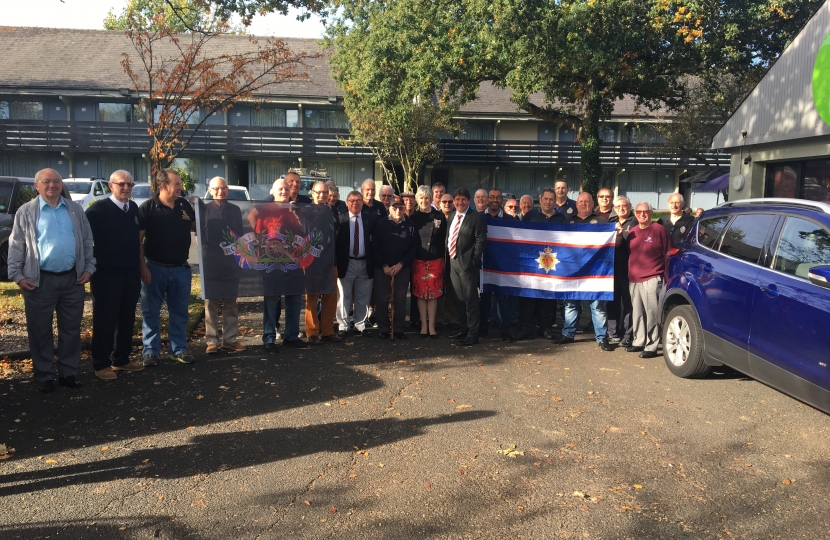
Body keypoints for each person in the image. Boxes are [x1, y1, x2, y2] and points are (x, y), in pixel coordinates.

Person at [8, 168, 95, 392]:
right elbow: (16, 245)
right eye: (46, 181)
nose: (52, 185)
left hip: (72, 280)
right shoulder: (26, 212)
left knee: (71, 330)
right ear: (36, 186)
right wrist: (17, 275)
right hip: (39, 281)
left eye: (57, 181)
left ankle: (68, 373)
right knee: (40, 331)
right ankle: (44, 375)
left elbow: (87, 240)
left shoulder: (74, 209)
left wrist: (89, 267)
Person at [85, 170, 145, 380]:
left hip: (130, 273)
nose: (127, 188)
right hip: (106, 275)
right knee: (105, 319)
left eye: (130, 184)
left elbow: (137, 240)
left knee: (127, 318)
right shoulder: (97, 211)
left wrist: (141, 267)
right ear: (111, 186)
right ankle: (101, 364)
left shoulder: (134, 209)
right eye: (122, 184)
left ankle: (121, 359)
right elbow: (84, 241)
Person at [139, 168, 196, 366]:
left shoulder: (184, 205)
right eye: (177, 184)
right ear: (164, 186)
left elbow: (198, 227)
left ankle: (178, 349)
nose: (181, 187)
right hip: (154, 268)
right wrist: (143, 268)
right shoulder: (148, 207)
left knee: (180, 312)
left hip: (181, 269)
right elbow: (138, 240)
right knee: (151, 312)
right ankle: (150, 352)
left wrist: (205, 208)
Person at [249, 178, 307, 351]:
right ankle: (269, 337)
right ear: (273, 192)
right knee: (272, 300)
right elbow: (259, 234)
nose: (284, 192)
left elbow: (303, 232)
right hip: (272, 262)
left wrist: (298, 216)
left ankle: (291, 336)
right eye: (280, 189)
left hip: (293, 261)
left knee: (294, 298)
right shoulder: (266, 210)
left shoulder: (294, 210)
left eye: (286, 189)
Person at [554, 192, 612, 351]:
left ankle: (602, 337)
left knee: (597, 306)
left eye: (587, 201)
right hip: (572, 271)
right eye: (581, 201)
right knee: (571, 304)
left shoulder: (602, 222)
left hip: (595, 272)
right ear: (576, 204)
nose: (584, 204)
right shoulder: (568, 222)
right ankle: (568, 334)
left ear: (593, 204)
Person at [199, 177, 246, 355]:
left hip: (230, 262)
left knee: (230, 303)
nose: (221, 191)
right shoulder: (203, 209)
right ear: (210, 191)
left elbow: (240, 237)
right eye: (217, 189)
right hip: (210, 262)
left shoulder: (235, 210)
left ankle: (230, 339)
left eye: (224, 188)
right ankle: (212, 341)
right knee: (210, 303)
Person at [513, 188, 563, 341]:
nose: (548, 202)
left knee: (548, 297)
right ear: (540, 200)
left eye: (551, 199)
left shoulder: (561, 218)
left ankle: (545, 327)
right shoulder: (530, 215)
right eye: (545, 199)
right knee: (528, 296)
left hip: (551, 264)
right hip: (532, 263)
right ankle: (526, 327)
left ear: (555, 201)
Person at [623, 202, 672, 358]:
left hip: (652, 277)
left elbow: (669, 253)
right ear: (635, 213)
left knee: (651, 313)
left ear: (651, 213)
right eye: (639, 211)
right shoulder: (633, 232)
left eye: (646, 211)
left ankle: (651, 345)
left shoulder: (659, 230)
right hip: (634, 278)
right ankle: (638, 341)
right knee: (636, 312)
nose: (642, 214)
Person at [446, 188, 487, 346]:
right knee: (459, 299)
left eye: (463, 199)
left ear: (468, 201)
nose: (460, 202)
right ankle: (463, 329)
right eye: (457, 200)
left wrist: (475, 259)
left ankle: (473, 333)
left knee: (471, 300)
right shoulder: (452, 216)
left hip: (468, 264)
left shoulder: (475, 217)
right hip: (453, 262)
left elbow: (480, 239)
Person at [372, 196, 417, 339]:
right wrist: (385, 265)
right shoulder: (381, 224)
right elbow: (376, 247)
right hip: (382, 268)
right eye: (394, 207)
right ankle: (384, 329)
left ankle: (398, 328)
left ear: (404, 209)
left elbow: (413, 249)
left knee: (400, 299)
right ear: (389, 208)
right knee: (382, 298)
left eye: (401, 207)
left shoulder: (410, 224)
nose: (398, 210)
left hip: (402, 268)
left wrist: (400, 264)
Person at [480, 188, 519, 342]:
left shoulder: (510, 220)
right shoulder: (479, 218)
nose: (495, 200)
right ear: (487, 199)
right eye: (492, 197)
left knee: (503, 299)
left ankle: (505, 330)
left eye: (498, 197)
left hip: (503, 266)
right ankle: (483, 328)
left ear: (501, 200)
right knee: (485, 298)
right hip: (484, 264)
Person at [305, 181, 342, 344]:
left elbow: (337, 231)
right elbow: (309, 229)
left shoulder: (333, 210)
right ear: (312, 193)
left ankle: (328, 330)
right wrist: (321, 211)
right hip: (312, 259)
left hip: (330, 259)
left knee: (330, 295)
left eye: (325, 192)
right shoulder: (306, 210)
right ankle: (312, 332)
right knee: (312, 296)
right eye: (319, 192)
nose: (322, 195)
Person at [336, 190, 374, 337]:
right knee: (343, 296)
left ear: (362, 203)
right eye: (352, 200)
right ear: (347, 203)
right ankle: (343, 326)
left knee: (363, 296)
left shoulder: (370, 219)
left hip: (365, 262)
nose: (355, 203)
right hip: (347, 263)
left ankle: (360, 325)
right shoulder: (341, 219)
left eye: (358, 200)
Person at [411, 186, 447, 338]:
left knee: (432, 295)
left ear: (431, 199)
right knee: (420, 295)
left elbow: (445, 237)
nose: (424, 201)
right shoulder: (413, 218)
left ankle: (432, 327)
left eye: (427, 198)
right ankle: (423, 326)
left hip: (435, 261)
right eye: (421, 198)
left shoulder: (439, 216)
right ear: (417, 200)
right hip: (419, 261)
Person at [607, 196, 636, 347]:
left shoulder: (635, 222)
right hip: (612, 270)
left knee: (629, 304)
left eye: (624, 206)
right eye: (618, 206)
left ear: (629, 206)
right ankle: (612, 333)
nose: (621, 208)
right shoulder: (610, 223)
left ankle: (628, 333)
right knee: (612, 303)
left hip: (629, 270)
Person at [436, 193, 459, 329]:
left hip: (453, 258)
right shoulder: (436, 216)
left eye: (450, 201)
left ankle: (452, 318)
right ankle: (439, 318)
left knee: (452, 289)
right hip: (438, 258)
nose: (447, 204)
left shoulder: (458, 216)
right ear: (440, 203)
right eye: (444, 201)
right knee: (438, 289)